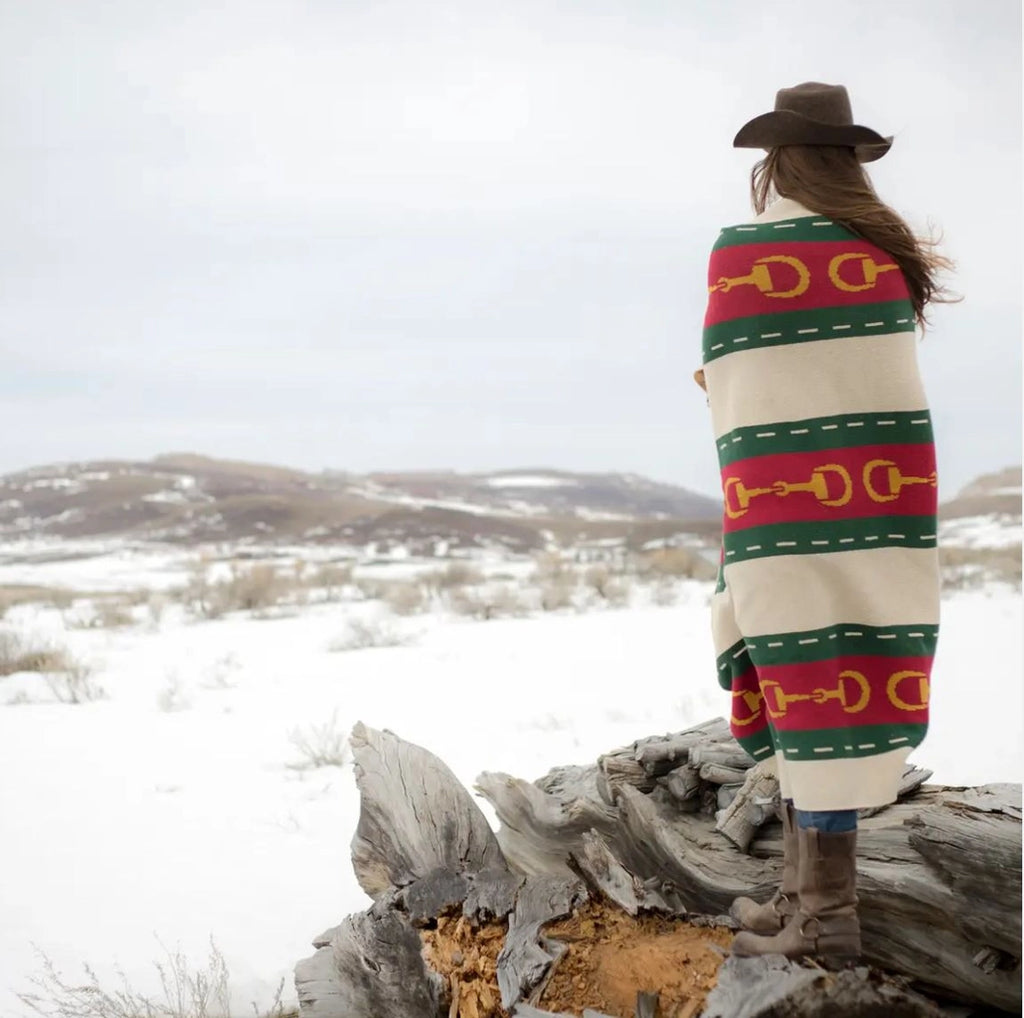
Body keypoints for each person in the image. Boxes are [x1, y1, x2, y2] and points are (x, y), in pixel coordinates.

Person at [697, 82, 954, 962]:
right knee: (841, 677)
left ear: (778, 163)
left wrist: (727, 389)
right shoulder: (879, 255)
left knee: (798, 676)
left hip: (779, 503)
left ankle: (826, 919)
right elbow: (854, 376)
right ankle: (803, 896)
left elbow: (740, 376)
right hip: (878, 502)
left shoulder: (742, 254)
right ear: (846, 163)